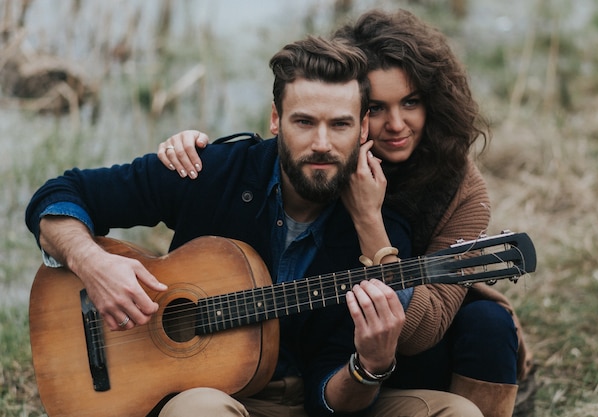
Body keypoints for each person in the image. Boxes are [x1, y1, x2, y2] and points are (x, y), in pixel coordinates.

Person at [25, 35, 484, 417]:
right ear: (274, 119)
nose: (321, 143)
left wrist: (371, 365)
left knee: (456, 413)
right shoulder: (209, 171)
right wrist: (93, 265)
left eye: (339, 124)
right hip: (206, 398)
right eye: (304, 122)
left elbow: (332, 398)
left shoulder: (379, 228)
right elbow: (59, 196)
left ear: (363, 128)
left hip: (304, 399)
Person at [157, 9, 533, 417]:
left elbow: (422, 330)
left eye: (411, 102)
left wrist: (369, 220)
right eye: (375, 107)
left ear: (434, 102)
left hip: (404, 345)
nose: (395, 124)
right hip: (318, 341)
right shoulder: (321, 164)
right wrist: (190, 149)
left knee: (489, 323)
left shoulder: (460, 188)